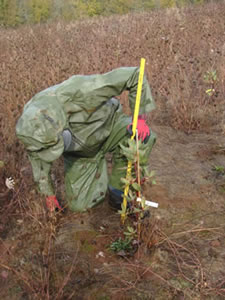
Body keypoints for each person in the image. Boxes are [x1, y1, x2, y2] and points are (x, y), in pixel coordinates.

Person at [16, 67, 156, 212]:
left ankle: (118, 190)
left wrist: (139, 118)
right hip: (83, 155)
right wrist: (48, 194)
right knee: (79, 207)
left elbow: (134, 75)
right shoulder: (30, 126)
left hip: (110, 126)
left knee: (143, 138)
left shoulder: (79, 91)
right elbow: (37, 158)